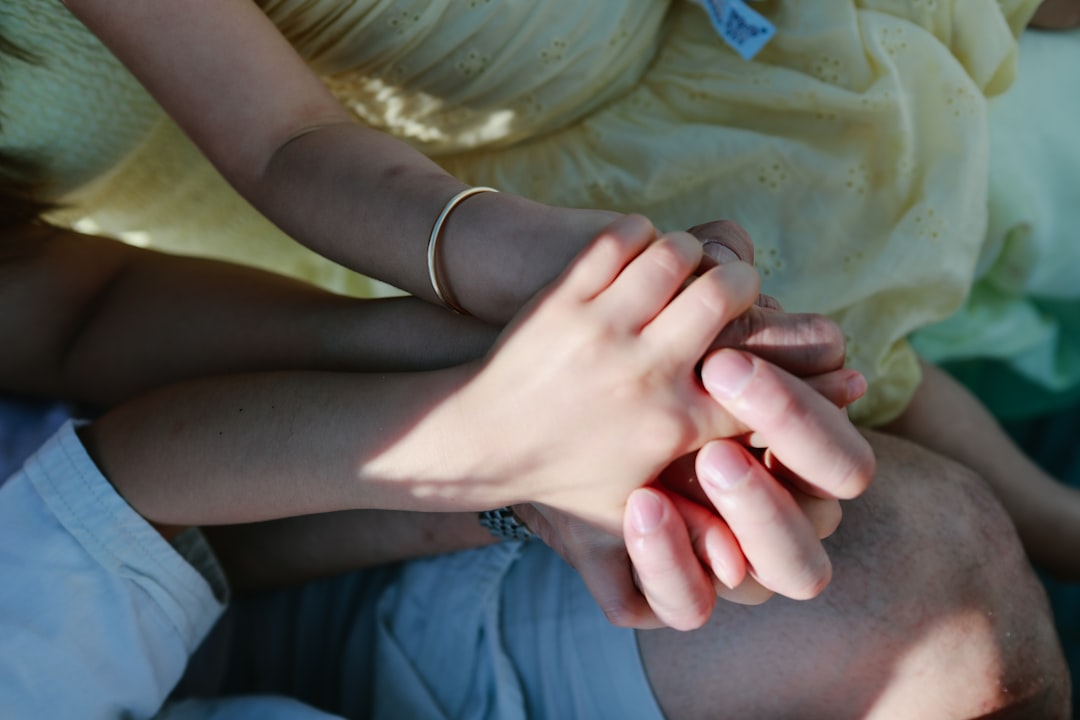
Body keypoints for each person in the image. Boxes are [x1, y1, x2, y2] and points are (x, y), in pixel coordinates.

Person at [30, 0, 1080, 579]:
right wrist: (481, 290)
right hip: (472, 190)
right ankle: (1056, 527)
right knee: (832, 356)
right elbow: (282, 141)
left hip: (686, 44)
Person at [0, 212, 1068, 718]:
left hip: (229, 512)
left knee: (929, 590)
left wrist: (520, 429)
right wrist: (508, 433)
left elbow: (116, 488)